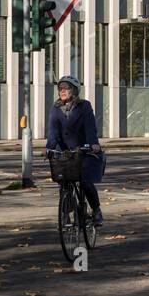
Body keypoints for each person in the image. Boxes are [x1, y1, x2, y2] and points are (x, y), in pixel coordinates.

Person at [46, 75, 105, 225]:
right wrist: (49, 148)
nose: (63, 91)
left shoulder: (84, 106)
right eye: (60, 88)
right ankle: (65, 213)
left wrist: (93, 144)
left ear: (75, 90)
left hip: (83, 149)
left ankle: (96, 210)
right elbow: (53, 131)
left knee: (85, 181)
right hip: (64, 152)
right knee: (64, 181)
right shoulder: (55, 108)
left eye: (67, 88)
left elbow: (90, 127)